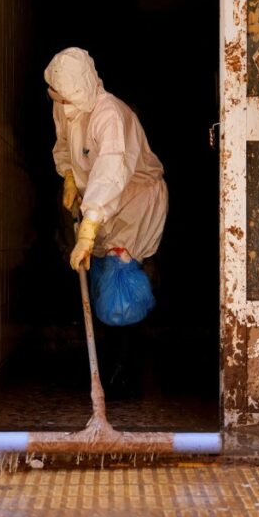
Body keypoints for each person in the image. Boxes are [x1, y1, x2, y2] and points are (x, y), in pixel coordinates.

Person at [45, 47, 169, 396]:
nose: (60, 103)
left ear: (82, 87)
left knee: (121, 290)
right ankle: (112, 366)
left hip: (133, 201)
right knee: (101, 282)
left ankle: (126, 372)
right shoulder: (66, 106)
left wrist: (90, 224)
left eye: (65, 96)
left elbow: (112, 170)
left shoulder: (110, 114)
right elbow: (65, 143)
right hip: (99, 201)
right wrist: (69, 172)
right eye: (56, 96)